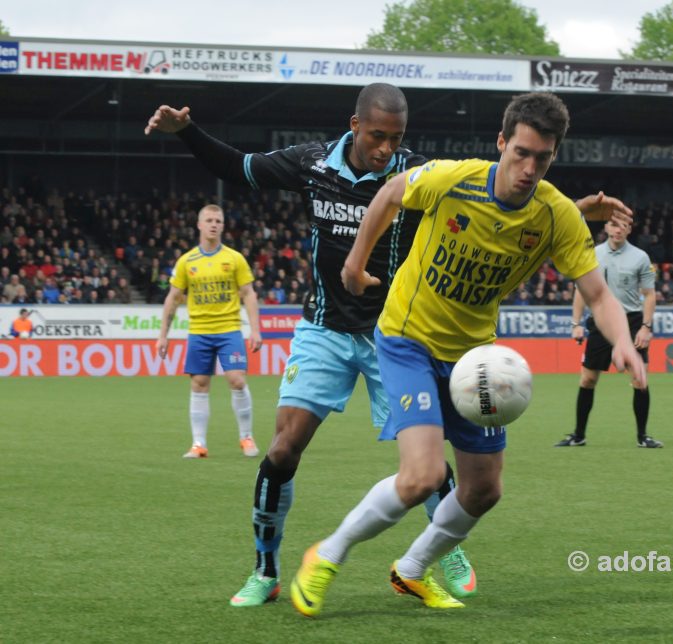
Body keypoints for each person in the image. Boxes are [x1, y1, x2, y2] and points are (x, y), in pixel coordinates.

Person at [145, 84, 632, 607]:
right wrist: (187, 132)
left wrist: (570, 212)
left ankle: (438, 553)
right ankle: (267, 570)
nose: (385, 148)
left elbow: (507, 216)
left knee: (440, 471)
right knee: (286, 448)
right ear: (355, 126)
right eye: (377, 136)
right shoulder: (314, 164)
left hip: (396, 329)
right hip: (330, 328)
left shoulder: (423, 171)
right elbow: (239, 166)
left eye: (395, 138)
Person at [289, 91, 643, 616]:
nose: (527, 168)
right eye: (520, 152)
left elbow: (596, 293)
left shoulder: (557, 217)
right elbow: (388, 195)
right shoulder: (451, 178)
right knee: (423, 476)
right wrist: (354, 265)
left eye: (541, 159)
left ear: (553, 158)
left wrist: (622, 343)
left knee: (483, 489)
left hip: (473, 358)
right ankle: (327, 553)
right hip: (408, 340)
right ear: (501, 142)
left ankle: (411, 571)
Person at [156, 204, 263, 459]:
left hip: (229, 330)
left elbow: (248, 294)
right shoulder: (186, 261)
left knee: (237, 380)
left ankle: (246, 437)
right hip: (199, 331)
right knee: (199, 384)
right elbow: (173, 298)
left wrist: (255, 330)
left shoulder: (234, 258)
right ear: (199, 225)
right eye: (209, 220)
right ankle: (199, 444)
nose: (214, 224)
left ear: (223, 226)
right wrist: (163, 334)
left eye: (218, 220)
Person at [555, 219, 662, 448]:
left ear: (630, 229)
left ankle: (643, 436)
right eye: (614, 224)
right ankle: (578, 435)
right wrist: (576, 323)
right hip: (600, 322)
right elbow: (581, 291)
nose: (618, 228)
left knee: (640, 380)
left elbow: (650, 295)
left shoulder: (640, 257)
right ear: (606, 227)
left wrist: (646, 327)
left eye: (623, 225)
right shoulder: (592, 254)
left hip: (632, 322)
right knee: (588, 379)